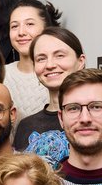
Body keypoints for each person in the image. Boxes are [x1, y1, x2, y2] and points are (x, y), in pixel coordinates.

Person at [12, 26, 86, 166]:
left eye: (59, 55)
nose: (50, 65)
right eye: (41, 58)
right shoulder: (26, 126)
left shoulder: (98, 115)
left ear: (80, 61)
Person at [6, 0, 60, 118]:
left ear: (46, 28)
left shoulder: (58, 72)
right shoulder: (1, 74)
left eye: (29, 24)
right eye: (14, 26)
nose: (21, 32)